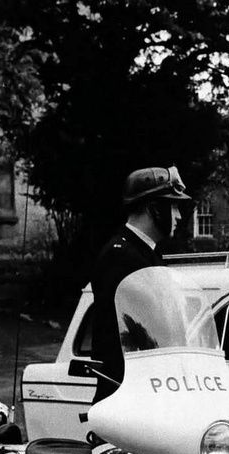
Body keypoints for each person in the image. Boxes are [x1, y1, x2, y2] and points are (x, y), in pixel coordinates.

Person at [90, 166, 191, 402]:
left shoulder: (144, 253)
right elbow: (132, 333)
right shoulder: (121, 255)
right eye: (173, 206)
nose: (178, 216)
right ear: (153, 208)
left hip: (147, 390)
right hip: (127, 395)